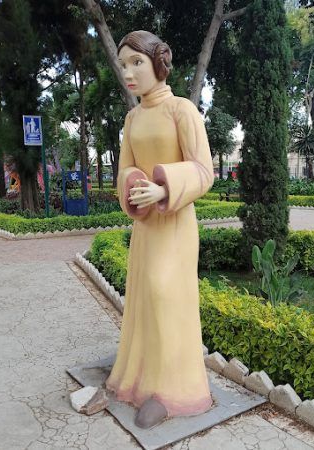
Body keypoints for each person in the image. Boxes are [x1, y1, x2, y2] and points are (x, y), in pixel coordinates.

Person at [105, 30, 214, 429]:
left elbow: (204, 170)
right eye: (123, 65)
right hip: (146, 226)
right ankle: (141, 379)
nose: (128, 73)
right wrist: (135, 185)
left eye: (137, 62)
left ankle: (173, 391)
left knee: (165, 294)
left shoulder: (182, 110)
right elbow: (124, 170)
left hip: (175, 223)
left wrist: (165, 188)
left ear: (158, 63)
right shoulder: (132, 118)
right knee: (145, 297)